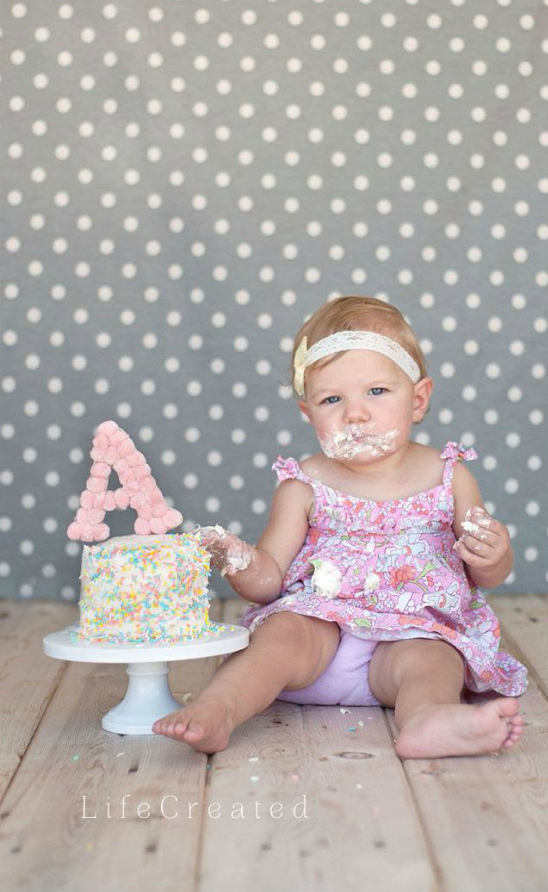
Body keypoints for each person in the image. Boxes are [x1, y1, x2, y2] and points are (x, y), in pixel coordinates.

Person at [152, 295, 527, 759]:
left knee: (432, 659)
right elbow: (268, 583)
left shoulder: (448, 476)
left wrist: (494, 554)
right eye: (333, 399)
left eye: (377, 391)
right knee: (280, 635)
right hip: (317, 640)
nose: (356, 413)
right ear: (309, 414)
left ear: (419, 399)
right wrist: (239, 557)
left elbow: (486, 576)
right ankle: (218, 710)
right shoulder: (304, 484)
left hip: (411, 634)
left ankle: (428, 718)